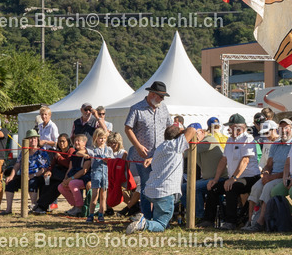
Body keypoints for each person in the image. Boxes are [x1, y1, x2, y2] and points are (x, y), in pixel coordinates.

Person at [128, 123, 206, 234]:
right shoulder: (176, 145)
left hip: (152, 191)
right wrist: (182, 132)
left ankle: (145, 221)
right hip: (165, 192)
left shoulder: (161, 147)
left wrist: (179, 133)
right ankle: (143, 223)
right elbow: (192, 130)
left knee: (158, 218)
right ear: (179, 136)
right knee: (161, 224)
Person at [124, 81, 172, 219]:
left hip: (160, 156)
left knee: (159, 186)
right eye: (161, 96)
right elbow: (128, 128)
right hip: (143, 156)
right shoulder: (136, 108)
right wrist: (138, 146)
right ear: (152, 94)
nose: (162, 99)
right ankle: (146, 217)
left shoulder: (163, 108)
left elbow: (169, 128)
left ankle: (157, 217)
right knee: (145, 186)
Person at [205, 113, 259, 229]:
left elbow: (245, 160)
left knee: (231, 188)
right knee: (213, 188)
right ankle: (208, 220)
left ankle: (231, 222)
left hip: (250, 177)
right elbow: (223, 160)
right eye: (229, 127)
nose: (229, 129)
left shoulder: (248, 139)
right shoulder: (230, 139)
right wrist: (215, 179)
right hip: (235, 177)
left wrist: (234, 178)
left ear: (241, 127)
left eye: (232, 127)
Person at [242, 119, 291, 231]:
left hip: (283, 177)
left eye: (267, 132)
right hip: (271, 176)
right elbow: (268, 164)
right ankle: (250, 221)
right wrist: (266, 174)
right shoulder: (274, 145)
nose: (266, 135)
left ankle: (260, 223)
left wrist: (270, 177)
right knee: (255, 187)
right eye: (281, 128)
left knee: (267, 188)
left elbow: (290, 169)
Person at [2, 129, 50, 214]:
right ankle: (8, 209)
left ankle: (34, 206)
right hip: (23, 175)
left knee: (32, 182)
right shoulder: (24, 152)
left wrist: (33, 175)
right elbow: (17, 165)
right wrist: (11, 176)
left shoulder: (42, 152)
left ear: (37, 139)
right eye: (30, 138)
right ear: (27, 141)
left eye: (35, 138)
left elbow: (44, 168)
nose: (33, 140)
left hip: (37, 176)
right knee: (10, 183)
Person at [33, 134, 72, 214]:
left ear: (68, 142)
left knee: (55, 186)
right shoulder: (58, 152)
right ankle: (41, 205)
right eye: (59, 141)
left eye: (63, 141)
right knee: (44, 181)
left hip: (66, 174)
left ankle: (41, 206)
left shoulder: (71, 151)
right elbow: (52, 164)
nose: (61, 143)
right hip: (57, 174)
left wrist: (59, 158)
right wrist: (49, 171)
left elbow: (68, 164)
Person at [59, 134, 92, 217]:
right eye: (75, 141)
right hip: (73, 177)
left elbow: (84, 171)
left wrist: (71, 179)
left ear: (84, 143)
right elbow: (70, 168)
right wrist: (65, 178)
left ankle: (79, 207)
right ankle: (75, 205)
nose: (76, 142)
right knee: (61, 187)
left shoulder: (88, 154)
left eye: (78, 141)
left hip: (85, 178)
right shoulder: (74, 153)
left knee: (72, 183)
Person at [87, 129, 114, 223]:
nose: (102, 140)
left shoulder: (109, 149)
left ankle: (101, 214)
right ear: (96, 138)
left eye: (104, 138)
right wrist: (86, 155)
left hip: (105, 174)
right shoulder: (93, 149)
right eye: (100, 138)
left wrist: (108, 160)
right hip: (96, 174)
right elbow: (80, 152)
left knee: (103, 196)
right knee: (95, 195)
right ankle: (91, 214)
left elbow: (112, 161)